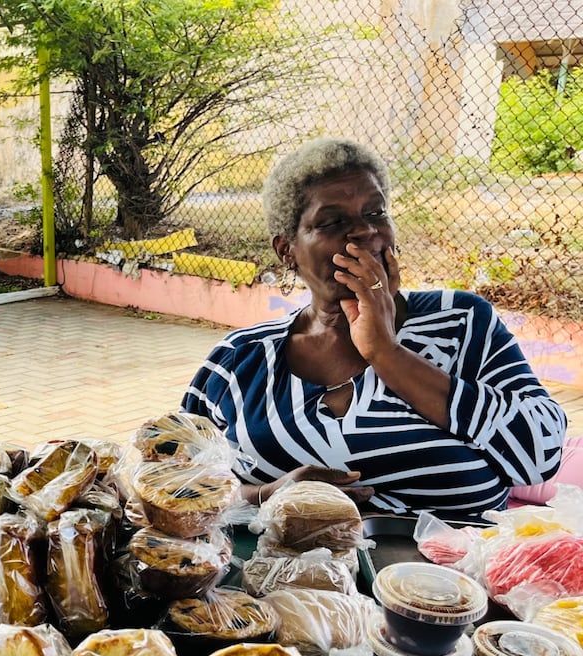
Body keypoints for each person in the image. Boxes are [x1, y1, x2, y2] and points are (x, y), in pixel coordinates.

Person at [182, 137, 566, 520]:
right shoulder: (239, 360)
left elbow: (541, 455)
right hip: (285, 575)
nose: (365, 232)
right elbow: (174, 484)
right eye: (333, 221)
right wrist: (269, 495)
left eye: (376, 212)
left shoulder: (461, 322)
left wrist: (387, 354)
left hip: (448, 576)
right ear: (287, 250)